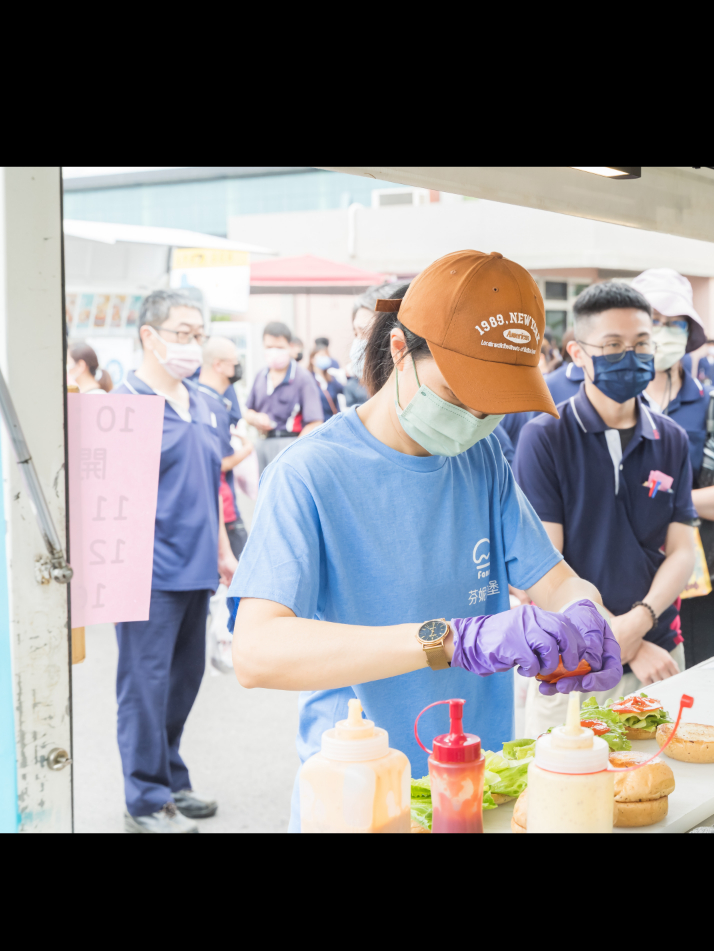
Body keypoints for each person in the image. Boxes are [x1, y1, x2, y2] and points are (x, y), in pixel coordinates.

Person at [227, 251, 624, 832]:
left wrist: (584, 610)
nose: (475, 415)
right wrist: (449, 639)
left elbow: (552, 576)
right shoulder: (310, 473)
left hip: (479, 784)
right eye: (459, 392)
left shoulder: (481, 455)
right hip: (363, 795)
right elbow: (256, 653)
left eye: (494, 402)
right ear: (398, 354)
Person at [514, 281, 697, 738]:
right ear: (577, 353)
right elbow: (544, 566)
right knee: (565, 793)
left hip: (659, 659)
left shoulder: (671, 438)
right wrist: (624, 644)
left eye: (640, 344)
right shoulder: (546, 437)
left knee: (661, 794)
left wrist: (640, 624)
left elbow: (681, 551)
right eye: (612, 346)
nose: (629, 356)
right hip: (573, 665)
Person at [113, 291, 239, 833]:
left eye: (197, 333)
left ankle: (171, 779)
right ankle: (144, 798)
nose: (192, 343)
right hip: (145, 575)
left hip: (198, 567)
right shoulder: (123, 407)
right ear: (150, 334)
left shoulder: (206, 402)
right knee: (144, 685)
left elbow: (213, 481)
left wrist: (224, 550)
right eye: (182, 332)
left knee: (184, 681)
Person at [632, 268, 714, 666]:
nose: (661, 331)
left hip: (698, 584)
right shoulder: (604, 404)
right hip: (623, 583)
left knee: (703, 696)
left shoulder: (711, 405)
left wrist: (676, 502)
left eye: (673, 323)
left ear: (689, 333)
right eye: (651, 320)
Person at [197, 336, 252, 557]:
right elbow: (219, 463)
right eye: (234, 361)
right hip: (223, 505)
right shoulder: (213, 406)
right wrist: (247, 450)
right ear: (218, 365)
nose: (238, 366)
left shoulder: (198, 398)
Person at [244, 321, 324, 471]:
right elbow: (247, 412)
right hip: (262, 443)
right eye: (269, 347)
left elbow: (315, 422)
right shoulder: (260, 376)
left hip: (290, 442)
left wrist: (294, 451)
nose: (274, 352)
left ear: (290, 347)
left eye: (279, 348)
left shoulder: (303, 378)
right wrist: (256, 419)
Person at [308, 346, 340, 422]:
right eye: (322, 355)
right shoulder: (309, 379)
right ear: (312, 359)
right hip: (315, 424)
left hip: (331, 422)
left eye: (326, 356)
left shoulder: (331, 379)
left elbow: (342, 390)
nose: (325, 358)